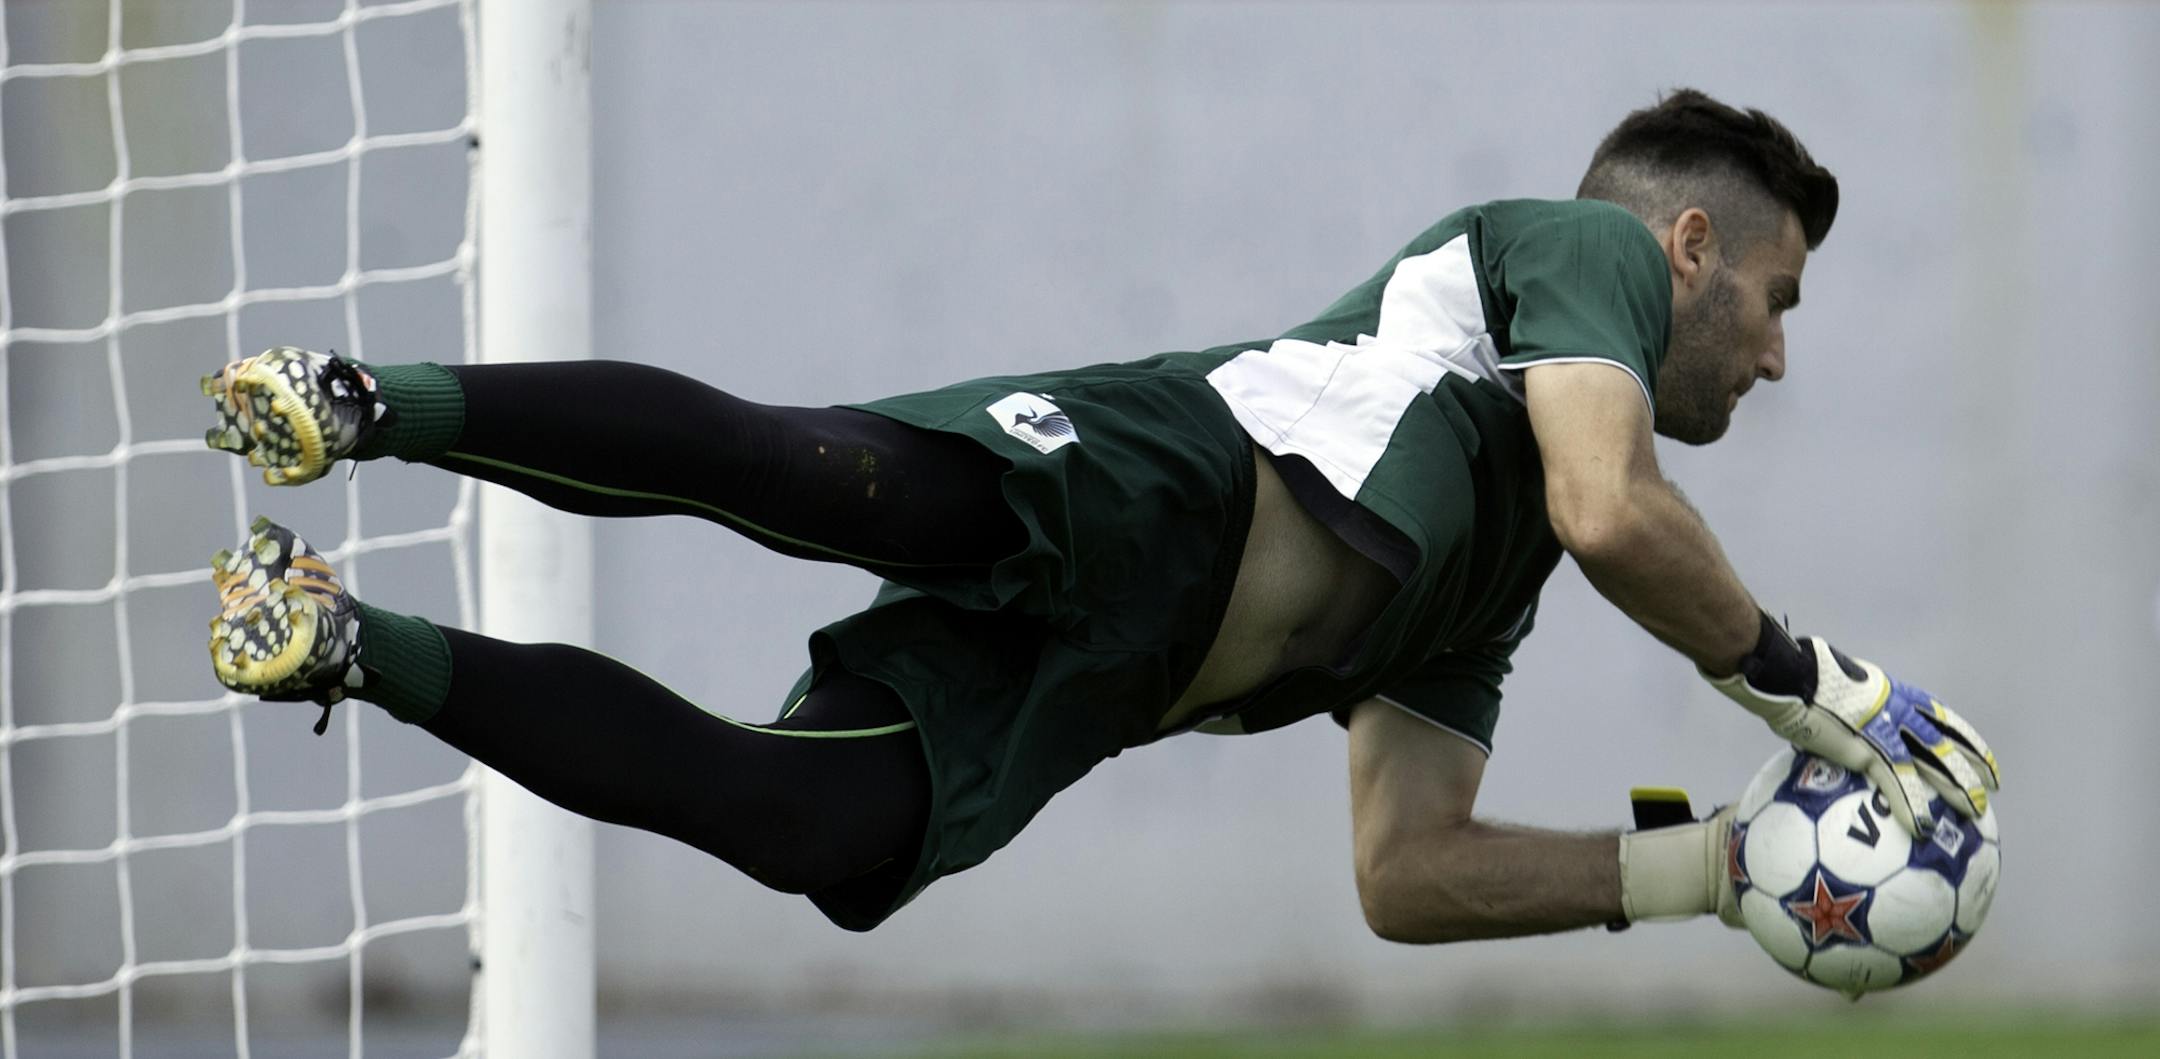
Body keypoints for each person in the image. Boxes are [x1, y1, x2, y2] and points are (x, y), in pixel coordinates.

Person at [199, 88, 1998, 938]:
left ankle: (343, 640)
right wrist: (1807, 683)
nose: (1774, 357)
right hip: (1165, 476)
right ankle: (365, 405)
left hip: (1101, 684)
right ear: (1685, 251)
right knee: (806, 477)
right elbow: (1625, 508)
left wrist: (1715, 869)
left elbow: (1405, 875)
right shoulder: (1579, 251)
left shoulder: (1491, 581)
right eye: (1774, 301)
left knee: (792, 820)